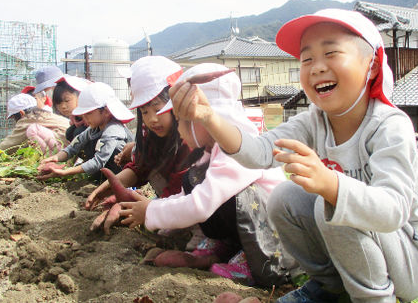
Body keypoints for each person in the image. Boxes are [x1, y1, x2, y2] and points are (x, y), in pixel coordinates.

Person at [170, 10, 418, 301]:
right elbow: (261, 152)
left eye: (331, 53)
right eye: (307, 59)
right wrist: (209, 117)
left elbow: (394, 211)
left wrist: (331, 184)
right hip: (363, 252)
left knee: (332, 205)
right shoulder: (314, 122)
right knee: (284, 198)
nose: (317, 68)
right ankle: (330, 288)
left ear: (373, 66)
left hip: (414, 259)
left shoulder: (389, 126)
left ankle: (373, 298)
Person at [119, 63, 294, 287]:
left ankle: (258, 262)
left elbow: (201, 204)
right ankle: (226, 247)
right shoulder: (207, 154)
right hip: (249, 230)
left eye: (180, 120)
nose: (179, 130)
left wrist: (151, 211)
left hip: (279, 242)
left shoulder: (238, 152)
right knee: (192, 178)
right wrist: (159, 222)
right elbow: (185, 196)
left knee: (242, 196)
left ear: (201, 118)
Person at [84, 56, 191, 233]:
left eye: (158, 109)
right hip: (169, 200)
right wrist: (115, 185)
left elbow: (180, 191)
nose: (152, 119)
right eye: (144, 111)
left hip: (188, 205)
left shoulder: (190, 139)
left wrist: (144, 209)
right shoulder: (149, 132)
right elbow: (142, 166)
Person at [38, 82, 134, 181]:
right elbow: (73, 147)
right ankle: (101, 178)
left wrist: (66, 172)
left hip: (126, 173)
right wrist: (55, 158)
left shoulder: (113, 130)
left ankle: (117, 181)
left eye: (88, 113)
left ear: (106, 111)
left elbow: (98, 161)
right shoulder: (93, 129)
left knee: (116, 147)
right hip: (104, 168)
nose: (84, 118)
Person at [0, 93, 69, 154]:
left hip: (64, 150)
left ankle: (51, 159)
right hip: (71, 146)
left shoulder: (27, 119)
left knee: (33, 130)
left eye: (14, 118)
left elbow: (9, 145)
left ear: (21, 113)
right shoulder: (43, 114)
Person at [52, 75, 91, 142]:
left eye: (67, 100)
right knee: (69, 133)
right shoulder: (73, 116)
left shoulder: (91, 112)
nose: (63, 106)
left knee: (79, 132)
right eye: (58, 103)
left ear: (80, 96)